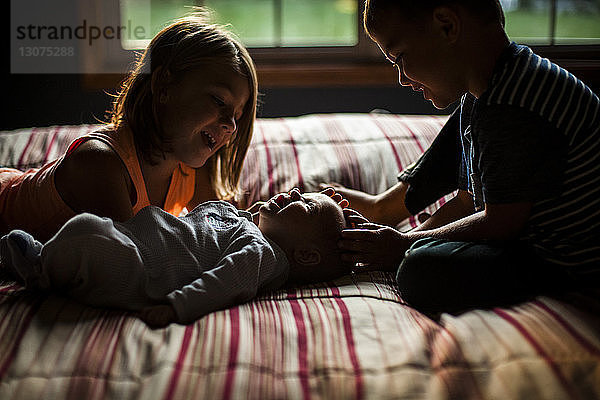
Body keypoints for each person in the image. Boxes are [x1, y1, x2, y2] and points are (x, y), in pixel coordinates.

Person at [336, 0, 600, 314]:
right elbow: (468, 200)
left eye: (400, 58)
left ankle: (387, 213)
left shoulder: (514, 104)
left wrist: (406, 245)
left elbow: (500, 222)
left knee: (418, 272)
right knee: (417, 251)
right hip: (523, 234)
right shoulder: (491, 87)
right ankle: (385, 208)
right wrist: (407, 240)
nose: (402, 79)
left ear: (447, 25)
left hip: (562, 260)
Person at [0, 15, 258, 242]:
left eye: (237, 115)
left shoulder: (190, 170)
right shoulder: (99, 162)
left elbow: (223, 234)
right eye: (218, 100)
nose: (230, 124)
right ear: (164, 85)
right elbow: (136, 263)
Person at [0, 189, 349, 327]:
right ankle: (33, 262)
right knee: (89, 234)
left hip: (140, 270)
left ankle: (40, 267)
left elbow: (226, 282)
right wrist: (254, 212)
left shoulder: (260, 253)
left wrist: (177, 306)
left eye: (304, 203)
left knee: (87, 232)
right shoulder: (250, 227)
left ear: (305, 254)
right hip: (132, 241)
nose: (291, 193)